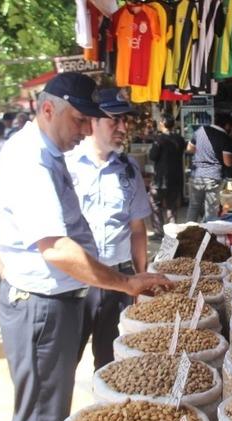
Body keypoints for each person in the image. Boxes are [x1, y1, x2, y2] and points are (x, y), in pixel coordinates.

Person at [0, 72, 172, 421]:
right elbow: (54, 247)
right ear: (49, 109)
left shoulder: (52, 154)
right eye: (80, 119)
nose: (86, 130)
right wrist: (127, 283)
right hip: (44, 303)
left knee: (53, 411)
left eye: (90, 119)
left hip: (59, 296)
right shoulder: (33, 160)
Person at [66, 88, 152, 371]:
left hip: (120, 278)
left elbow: (138, 229)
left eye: (124, 120)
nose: (123, 128)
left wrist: (139, 280)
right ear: (92, 121)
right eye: (114, 120)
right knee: (64, 364)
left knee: (114, 365)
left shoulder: (129, 170)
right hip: (77, 281)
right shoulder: (66, 166)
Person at [186, 113, 232, 222]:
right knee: (211, 210)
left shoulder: (200, 130)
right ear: (227, 125)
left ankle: (187, 233)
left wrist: (202, 155)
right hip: (213, 178)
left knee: (194, 206)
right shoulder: (225, 138)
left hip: (196, 176)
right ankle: (208, 235)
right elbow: (227, 162)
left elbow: (190, 149)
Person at [148, 115, 186, 237]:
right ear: (173, 125)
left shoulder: (159, 140)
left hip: (161, 179)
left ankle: (159, 231)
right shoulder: (180, 139)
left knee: (155, 203)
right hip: (176, 178)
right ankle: (172, 232)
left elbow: (152, 156)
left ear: (162, 124)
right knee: (172, 206)